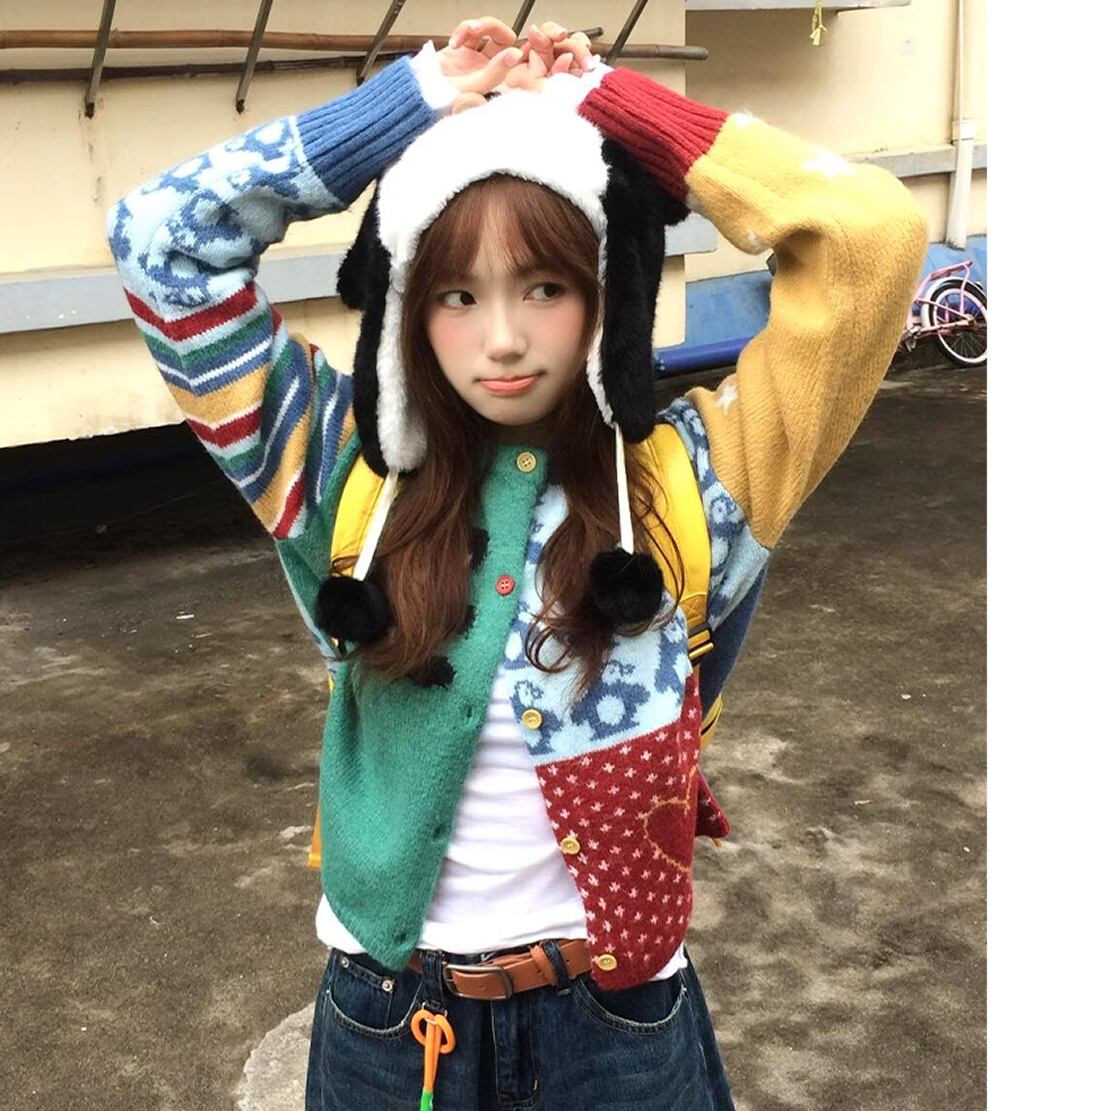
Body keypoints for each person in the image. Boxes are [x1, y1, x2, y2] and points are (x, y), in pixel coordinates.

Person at [108, 15, 927, 1110]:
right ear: (410, 308)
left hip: (619, 1029)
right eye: (458, 294)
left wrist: (614, 107)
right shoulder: (337, 470)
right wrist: (408, 102)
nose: (501, 338)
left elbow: (868, 238)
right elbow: (160, 237)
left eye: (545, 286)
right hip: (389, 1027)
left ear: (607, 294)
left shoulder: (697, 483)